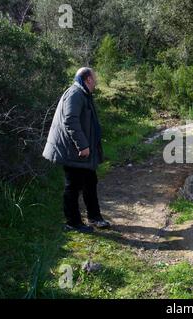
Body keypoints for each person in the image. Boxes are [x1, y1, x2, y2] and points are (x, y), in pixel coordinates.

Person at [43, 67, 110, 233]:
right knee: (73, 186)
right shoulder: (75, 94)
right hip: (73, 151)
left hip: (81, 151)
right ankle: (73, 222)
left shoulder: (83, 94)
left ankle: (94, 217)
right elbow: (70, 121)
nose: (96, 82)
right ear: (87, 79)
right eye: (94, 79)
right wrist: (83, 145)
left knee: (90, 182)